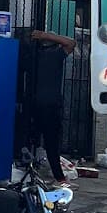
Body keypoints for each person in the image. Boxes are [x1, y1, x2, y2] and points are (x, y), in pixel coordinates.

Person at [29, 28, 76, 182]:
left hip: (34, 103)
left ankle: (32, 171)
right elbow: (71, 43)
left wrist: (43, 36)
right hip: (49, 104)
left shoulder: (34, 56)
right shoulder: (55, 55)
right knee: (51, 142)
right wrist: (48, 35)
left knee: (33, 140)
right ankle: (59, 177)